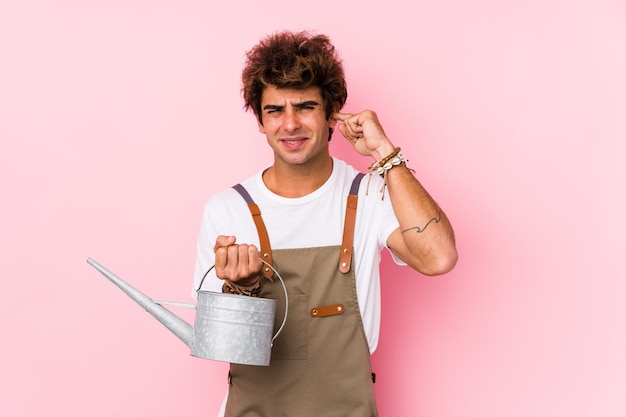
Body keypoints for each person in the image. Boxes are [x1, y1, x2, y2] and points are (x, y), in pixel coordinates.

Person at [192, 30, 457, 417]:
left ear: (332, 112)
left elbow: (439, 257)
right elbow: (219, 350)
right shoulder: (227, 210)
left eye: (305, 107)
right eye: (275, 110)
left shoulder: (368, 195)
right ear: (260, 121)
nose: (290, 124)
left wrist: (386, 155)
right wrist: (241, 289)